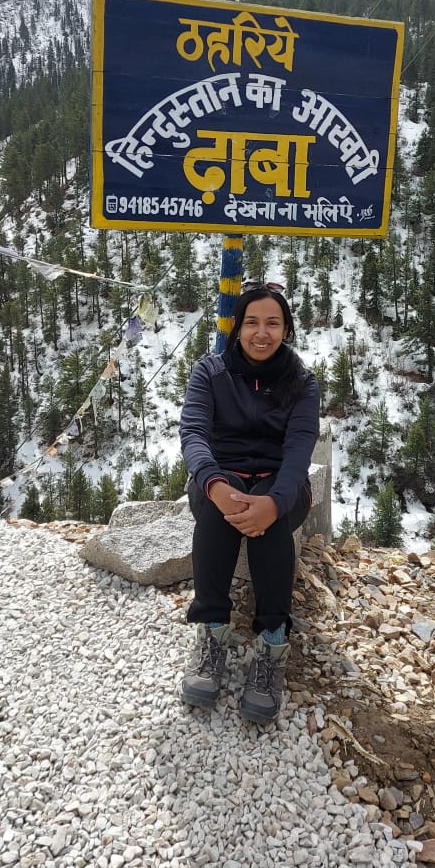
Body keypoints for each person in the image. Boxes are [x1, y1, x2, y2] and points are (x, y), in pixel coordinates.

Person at [178, 282, 320, 723]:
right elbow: (194, 435)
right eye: (252, 322)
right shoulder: (210, 373)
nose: (262, 333)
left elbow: (299, 451)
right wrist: (216, 487)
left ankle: (273, 644)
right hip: (220, 476)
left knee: (272, 528)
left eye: (273, 323)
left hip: (282, 483)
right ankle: (213, 634)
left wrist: (273, 504)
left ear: (286, 329)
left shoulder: (302, 383)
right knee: (217, 518)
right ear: (237, 328)